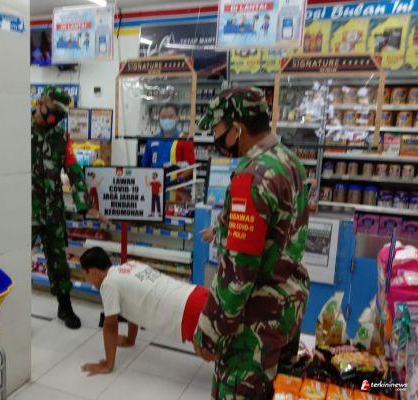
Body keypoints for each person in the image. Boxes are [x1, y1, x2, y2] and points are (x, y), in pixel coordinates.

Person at [195, 87, 310, 399]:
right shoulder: (289, 160)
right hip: (287, 308)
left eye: (217, 129)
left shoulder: (252, 175)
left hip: (255, 323)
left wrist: (212, 330)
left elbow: (239, 271)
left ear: (237, 128)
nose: (215, 137)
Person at [32, 86, 105, 329]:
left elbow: (74, 171)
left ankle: (65, 307)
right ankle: (13, 311)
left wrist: (85, 205)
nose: (55, 118)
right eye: (53, 111)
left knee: (58, 262)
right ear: (41, 103)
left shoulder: (61, 138)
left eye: (61, 115)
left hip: (53, 212)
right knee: (15, 260)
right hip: (25, 213)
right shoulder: (19, 131)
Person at [78, 247, 210, 376]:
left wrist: (108, 364)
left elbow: (110, 325)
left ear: (94, 272)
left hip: (187, 312)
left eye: (85, 274)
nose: (85, 279)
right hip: (197, 293)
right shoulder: (130, 265)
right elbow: (132, 305)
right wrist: (130, 339)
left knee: (213, 354)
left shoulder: (108, 284)